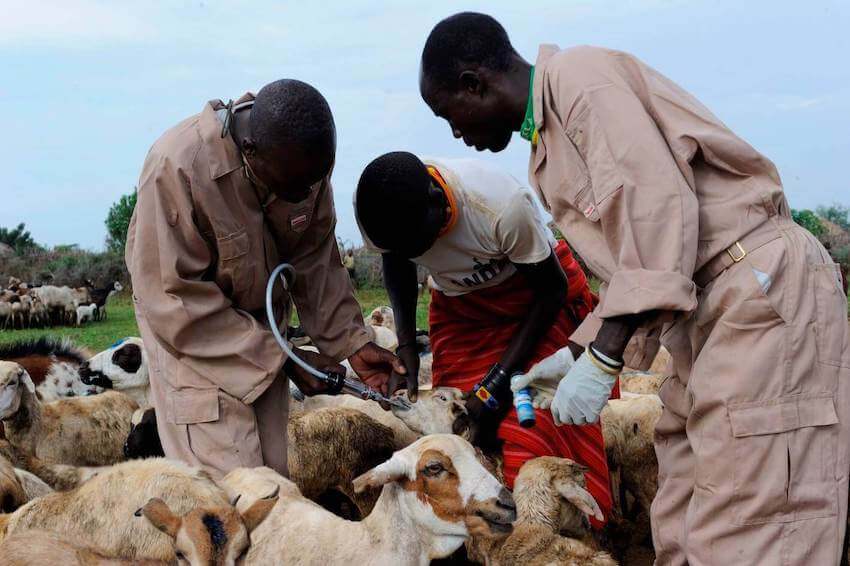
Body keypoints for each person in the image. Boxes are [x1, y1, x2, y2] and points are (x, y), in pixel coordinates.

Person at [419, 12, 850, 565]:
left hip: (754, 288)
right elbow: (635, 265)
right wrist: (574, 353)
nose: (455, 134)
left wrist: (603, 360)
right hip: (706, 309)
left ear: (473, 83)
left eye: (449, 114)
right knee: (683, 502)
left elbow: (657, 213)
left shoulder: (580, 85)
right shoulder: (547, 143)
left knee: (755, 515)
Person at [126, 79, 405, 479]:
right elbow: (172, 298)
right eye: (295, 186)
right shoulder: (177, 168)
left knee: (272, 474)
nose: (306, 192)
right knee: (232, 484)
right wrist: (283, 359)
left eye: (316, 181)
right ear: (251, 152)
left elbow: (316, 258)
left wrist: (352, 343)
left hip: (262, 329)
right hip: (191, 337)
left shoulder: (302, 163)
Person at [355, 152, 613, 525]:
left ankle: (551, 536)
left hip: (532, 307)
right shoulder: (379, 209)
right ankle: (482, 543)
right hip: (463, 317)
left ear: (438, 201)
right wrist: (407, 347)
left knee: (531, 430)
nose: (417, 254)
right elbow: (395, 261)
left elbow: (552, 291)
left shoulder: (499, 206)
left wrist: (495, 385)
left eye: (418, 243)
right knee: (458, 440)